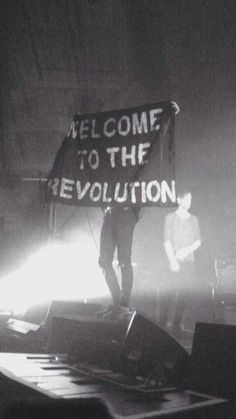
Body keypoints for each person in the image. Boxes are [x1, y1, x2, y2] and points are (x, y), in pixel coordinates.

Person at [160, 189, 201, 339]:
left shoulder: (194, 219)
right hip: (173, 261)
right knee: (169, 293)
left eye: (191, 199)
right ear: (180, 200)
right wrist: (172, 260)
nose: (190, 202)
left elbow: (198, 240)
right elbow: (166, 240)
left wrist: (187, 250)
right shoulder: (170, 217)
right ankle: (162, 322)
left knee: (184, 294)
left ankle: (177, 323)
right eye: (187, 199)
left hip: (189, 262)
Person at [99, 205, 140, 319]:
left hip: (126, 212)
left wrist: (133, 215)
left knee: (124, 260)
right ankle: (117, 301)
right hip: (110, 213)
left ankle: (124, 305)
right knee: (104, 260)